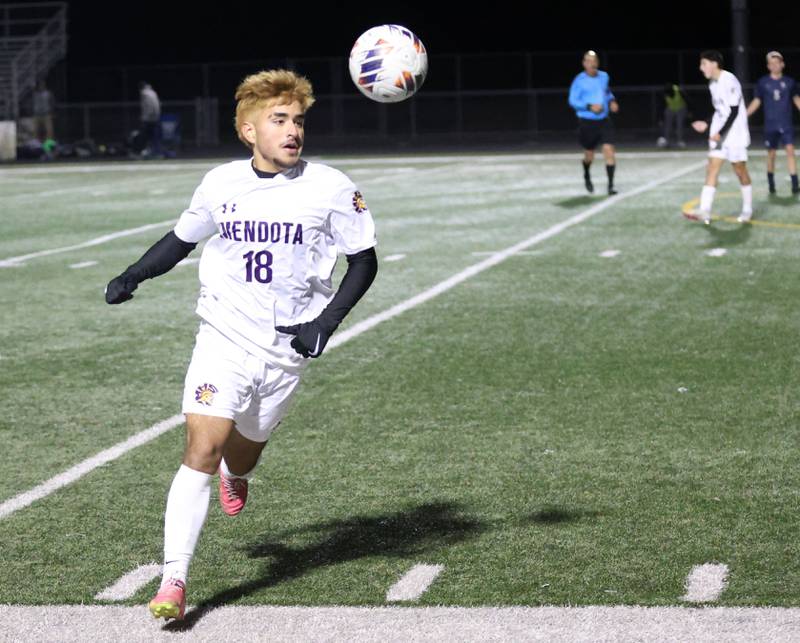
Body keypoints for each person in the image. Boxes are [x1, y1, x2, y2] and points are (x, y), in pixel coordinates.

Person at [105, 69, 378, 621]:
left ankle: (240, 475)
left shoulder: (330, 187)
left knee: (242, 450)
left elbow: (364, 260)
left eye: (298, 120)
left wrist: (326, 322)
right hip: (222, 337)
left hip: (285, 350)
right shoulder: (220, 183)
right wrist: (132, 275)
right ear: (249, 130)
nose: (293, 130)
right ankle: (174, 580)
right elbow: (182, 240)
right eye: (279, 120)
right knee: (201, 448)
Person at [688, 50, 753, 224]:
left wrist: (719, 133)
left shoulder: (729, 79)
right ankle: (705, 210)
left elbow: (734, 111)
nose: (701, 68)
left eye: (704, 64)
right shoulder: (712, 84)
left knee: (740, 170)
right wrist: (707, 124)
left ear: (714, 63)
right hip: (720, 131)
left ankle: (747, 209)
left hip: (735, 133)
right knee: (712, 167)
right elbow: (720, 111)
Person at [746, 51, 800, 195]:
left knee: (790, 150)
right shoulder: (763, 83)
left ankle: (795, 184)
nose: (775, 65)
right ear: (768, 66)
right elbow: (757, 101)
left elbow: (796, 100)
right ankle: (771, 183)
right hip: (770, 125)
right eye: (772, 63)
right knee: (771, 154)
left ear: (782, 64)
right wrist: (744, 115)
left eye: (777, 63)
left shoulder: (790, 82)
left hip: (786, 123)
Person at [568, 50, 620, 195]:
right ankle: (586, 173)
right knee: (589, 155)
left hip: (604, 121)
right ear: (584, 64)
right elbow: (572, 101)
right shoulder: (579, 80)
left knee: (609, 150)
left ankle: (610, 186)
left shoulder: (604, 76)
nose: (592, 63)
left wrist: (612, 101)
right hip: (587, 122)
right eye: (588, 61)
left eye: (594, 60)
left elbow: (607, 92)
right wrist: (589, 106)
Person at [657, 83, 689, 148]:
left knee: (679, 125)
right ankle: (666, 142)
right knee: (667, 125)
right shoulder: (664, 93)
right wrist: (660, 118)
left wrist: (690, 111)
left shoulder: (678, 90)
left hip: (680, 108)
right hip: (670, 108)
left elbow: (687, 99)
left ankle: (680, 141)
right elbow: (661, 105)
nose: (668, 95)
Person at [139, 81, 162, 157]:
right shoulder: (153, 92)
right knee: (155, 137)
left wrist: (146, 116)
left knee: (146, 137)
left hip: (149, 119)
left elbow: (150, 106)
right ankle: (155, 152)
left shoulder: (145, 93)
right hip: (155, 117)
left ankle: (146, 152)